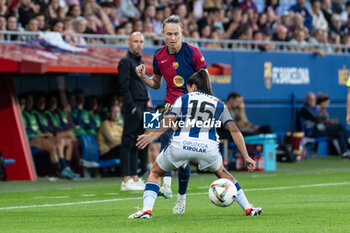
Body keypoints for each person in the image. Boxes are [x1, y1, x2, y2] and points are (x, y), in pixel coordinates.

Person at [128, 69, 262, 219]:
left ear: (192, 87)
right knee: (224, 174)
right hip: (208, 148)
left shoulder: (183, 98)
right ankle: (248, 208)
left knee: (155, 173)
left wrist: (151, 135)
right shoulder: (219, 103)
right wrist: (246, 156)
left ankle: (147, 210)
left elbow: (169, 120)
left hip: (181, 145)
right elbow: (234, 130)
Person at [135, 15, 207, 213]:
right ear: (163, 34)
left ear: (181, 33)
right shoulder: (159, 56)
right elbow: (156, 84)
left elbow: (205, 81)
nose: (173, 38)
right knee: (167, 140)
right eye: (169, 34)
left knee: (183, 158)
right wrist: (142, 77)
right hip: (170, 106)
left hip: (192, 107)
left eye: (176, 34)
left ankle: (181, 198)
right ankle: (166, 184)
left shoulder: (193, 53)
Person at [118, 31, 148, 191]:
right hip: (134, 105)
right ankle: (126, 179)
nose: (139, 44)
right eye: (135, 41)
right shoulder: (125, 62)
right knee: (128, 141)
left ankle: (135, 177)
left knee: (137, 141)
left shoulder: (138, 62)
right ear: (129, 43)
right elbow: (124, 87)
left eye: (141, 41)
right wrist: (132, 106)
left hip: (142, 103)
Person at [300, 92, 350, 159]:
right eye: (310, 100)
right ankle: (349, 141)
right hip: (314, 133)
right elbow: (317, 120)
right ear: (307, 100)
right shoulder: (305, 110)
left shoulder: (314, 109)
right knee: (339, 126)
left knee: (340, 133)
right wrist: (324, 114)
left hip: (321, 130)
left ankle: (345, 153)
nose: (312, 102)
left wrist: (328, 122)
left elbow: (321, 122)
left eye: (313, 100)